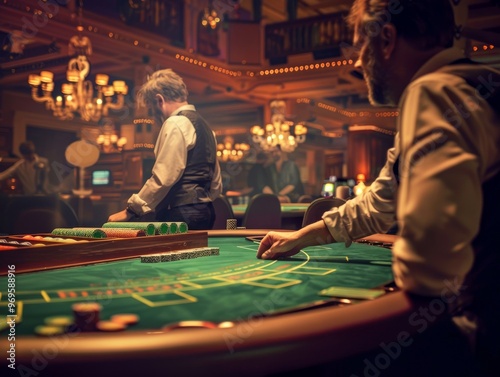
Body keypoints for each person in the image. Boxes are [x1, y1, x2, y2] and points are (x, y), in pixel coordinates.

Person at [256, 1, 500, 376]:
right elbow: (378, 202)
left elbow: (429, 265)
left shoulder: (434, 92)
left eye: (360, 47)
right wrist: (302, 236)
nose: (357, 62)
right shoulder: (471, 82)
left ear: (386, 39)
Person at [108, 69, 222, 230]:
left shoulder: (175, 122)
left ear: (159, 100)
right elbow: (216, 183)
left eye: (152, 110)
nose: (156, 117)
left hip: (180, 214)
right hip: (206, 211)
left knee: (168, 256)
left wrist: (132, 210)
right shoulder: (206, 126)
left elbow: (164, 177)